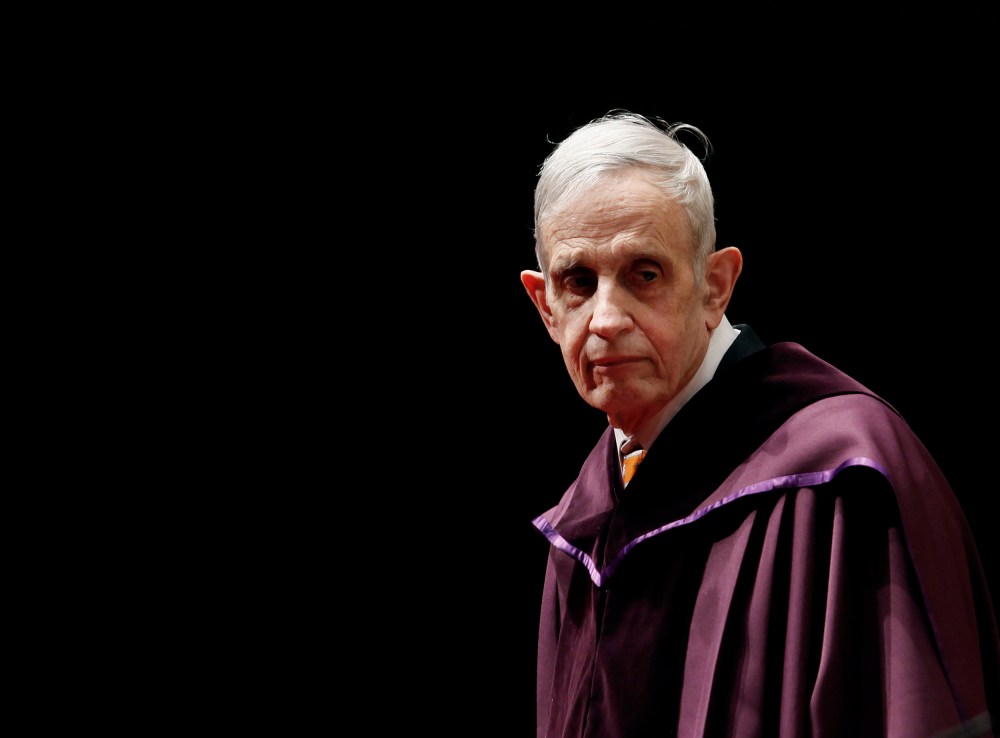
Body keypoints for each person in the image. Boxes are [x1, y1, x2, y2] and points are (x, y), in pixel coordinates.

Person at [519, 110, 1000, 738]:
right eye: (579, 281)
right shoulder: (585, 527)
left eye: (645, 274)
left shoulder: (841, 479)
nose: (607, 318)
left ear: (716, 286)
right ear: (545, 305)